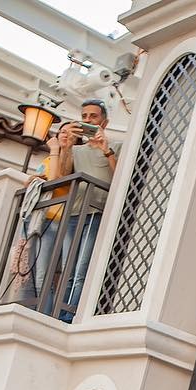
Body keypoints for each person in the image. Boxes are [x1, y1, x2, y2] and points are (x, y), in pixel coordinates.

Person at [44, 98, 119, 320]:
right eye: (84, 116)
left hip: (96, 212)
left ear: (104, 122)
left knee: (81, 269)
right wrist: (66, 147)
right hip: (74, 213)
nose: (88, 120)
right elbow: (61, 176)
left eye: (93, 116)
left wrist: (106, 150)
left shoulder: (117, 146)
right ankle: (59, 315)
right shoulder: (76, 150)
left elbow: (122, 177)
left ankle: (69, 317)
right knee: (67, 267)